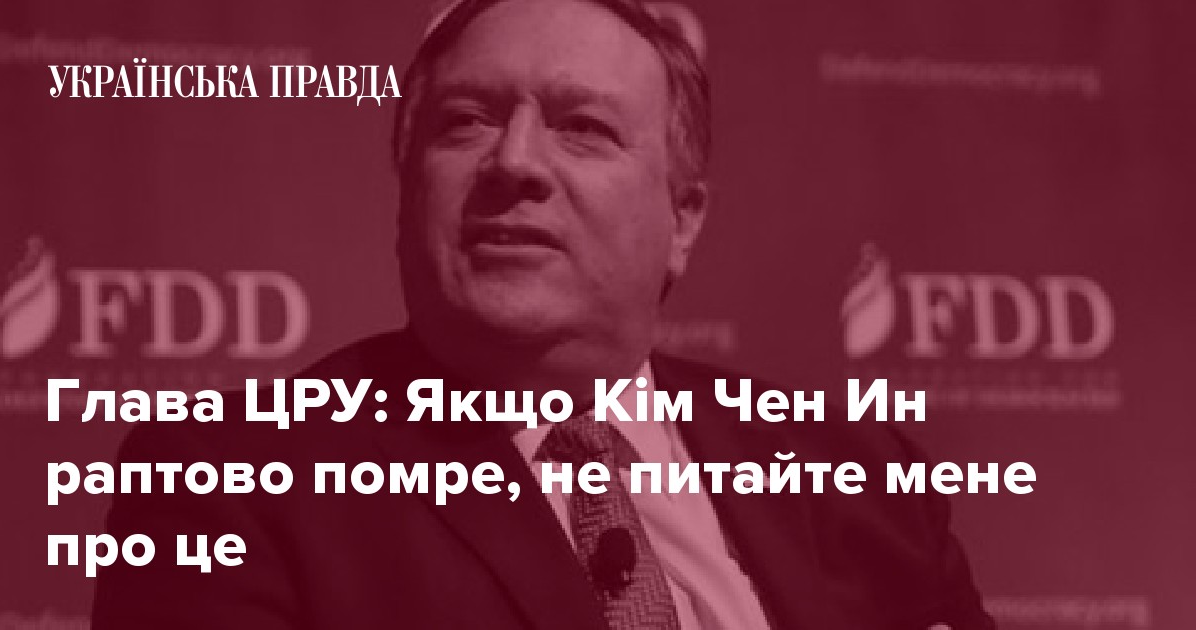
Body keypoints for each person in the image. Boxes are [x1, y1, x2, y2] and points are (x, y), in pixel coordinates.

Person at [92, 0, 995, 628]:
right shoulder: (226, 481)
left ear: (682, 220)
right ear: (405, 195)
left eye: (582, 127)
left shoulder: (855, 470)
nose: (514, 163)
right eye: (465, 121)